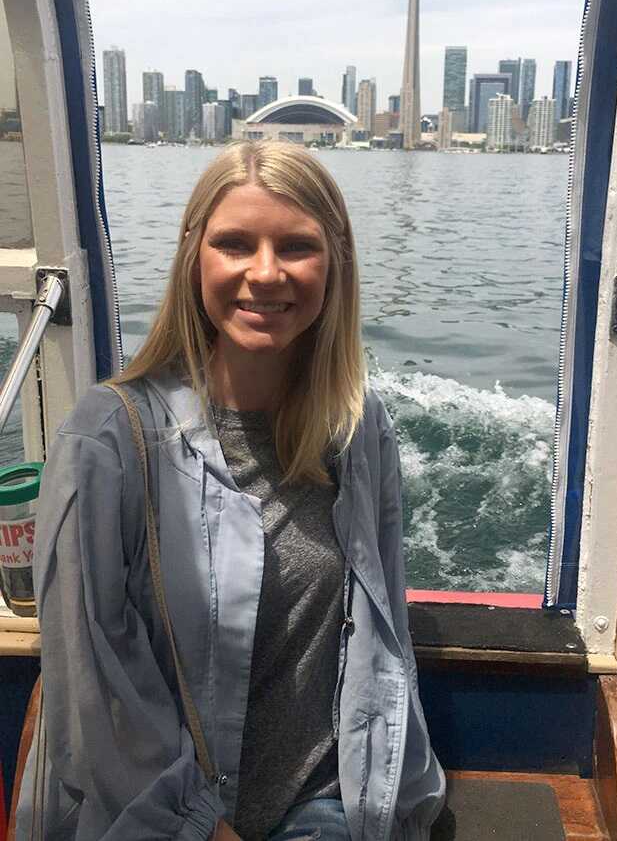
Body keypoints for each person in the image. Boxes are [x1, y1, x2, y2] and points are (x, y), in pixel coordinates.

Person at [15, 141, 445, 840]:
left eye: (297, 246)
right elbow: (95, 690)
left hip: (328, 802)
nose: (265, 273)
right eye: (235, 244)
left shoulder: (358, 428)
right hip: (162, 819)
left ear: (335, 263)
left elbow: (382, 629)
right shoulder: (107, 440)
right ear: (195, 256)